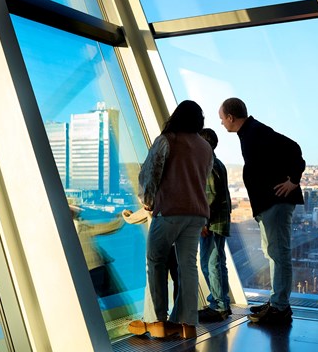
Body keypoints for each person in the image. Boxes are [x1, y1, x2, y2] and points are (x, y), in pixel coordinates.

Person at [129, 100, 213, 339]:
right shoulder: (205, 147)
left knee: (155, 262)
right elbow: (202, 179)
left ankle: (156, 321)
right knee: (188, 266)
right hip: (196, 213)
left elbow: (149, 173)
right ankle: (188, 323)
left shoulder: (167, 140)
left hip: (169, 212)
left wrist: (147, 200)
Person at [218, 97, 305, 325]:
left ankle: (280, 307)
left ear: (231, 117)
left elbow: (294, 148)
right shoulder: (250, 133)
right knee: (273, 252)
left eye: (222, 119)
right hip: (269, 205)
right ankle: (277, 302)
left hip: (276, 203)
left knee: (278, 253)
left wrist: (293, 181)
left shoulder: (256, 131)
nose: (222, 123)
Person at [198, 128, 232, 322]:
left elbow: (209, 196)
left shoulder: (208, 165)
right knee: (219, 263)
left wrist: (203, 221)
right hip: (220, 221)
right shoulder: (218, 163)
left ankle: (218, 306)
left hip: (212, 222)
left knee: (209, 263)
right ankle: (222, 303)